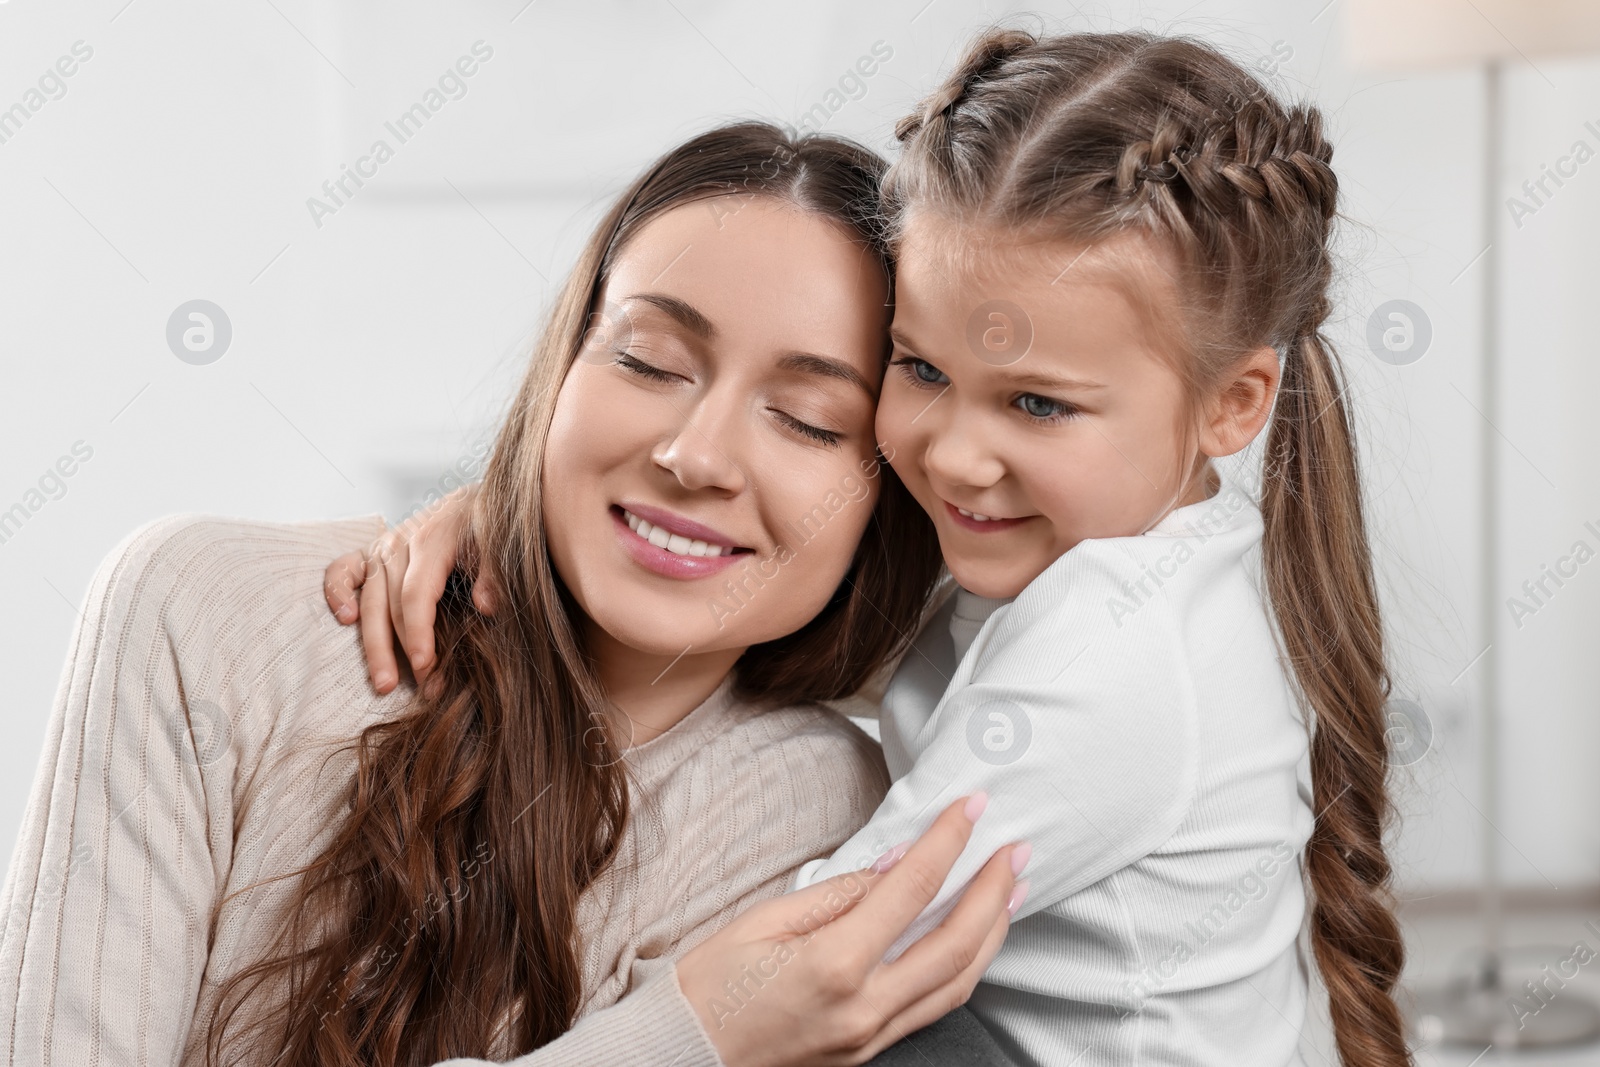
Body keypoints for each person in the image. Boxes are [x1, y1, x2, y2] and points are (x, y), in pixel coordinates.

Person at [359, 30, 1411, 1067]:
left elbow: (831, 949)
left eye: (1037, 403)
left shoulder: (1120, 651)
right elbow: (820, 604)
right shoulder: (1096, 530)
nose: (952, 456)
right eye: (919, 368)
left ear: (1233, 404)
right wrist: (521, 512)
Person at [0, 123, 1023, 1067]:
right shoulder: (205, 608)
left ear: (890, 494)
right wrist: (688, 1034)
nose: (693, 454)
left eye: (805, 419)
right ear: (560, 371)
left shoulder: (818, 809)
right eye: (646, 359)